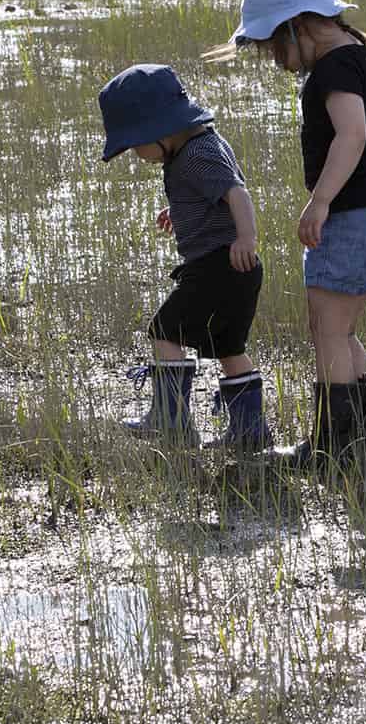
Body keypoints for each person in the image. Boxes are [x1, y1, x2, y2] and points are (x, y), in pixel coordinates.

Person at [217, 0, 366, 486]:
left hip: (352, 215)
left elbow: (351, 133)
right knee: (343, 329)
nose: (275, 60)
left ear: (298, 27)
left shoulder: (330, 71)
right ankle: (365, 448)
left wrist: (321, 201)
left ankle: (334, 450)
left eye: (273, 48)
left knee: (326, 329)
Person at [98, 64, 272, 450]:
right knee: (229, 348)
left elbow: (237, 194)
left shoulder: (197, 153)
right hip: (233, 269)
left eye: (135, 146)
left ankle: (171, 421)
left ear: (159, 130)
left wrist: (247, 237)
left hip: (218, 265)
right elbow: (210, 196)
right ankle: (250, 432)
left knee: (164, 330)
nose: (137, 155)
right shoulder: (196, 145)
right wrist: (181, 211)